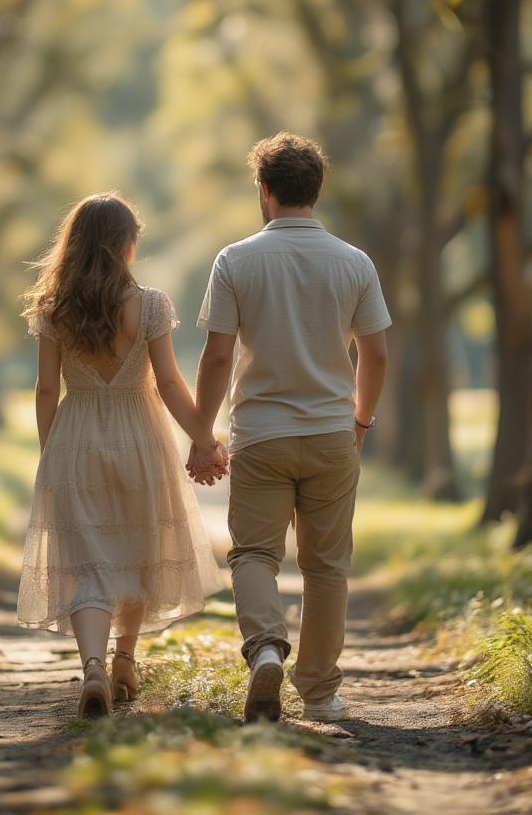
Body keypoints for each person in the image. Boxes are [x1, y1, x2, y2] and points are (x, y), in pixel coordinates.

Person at [188, 132, 390, 723]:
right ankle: (321, 693)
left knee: (253, 553)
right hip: (332, 433)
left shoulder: (235, 260)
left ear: (265, 191)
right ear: (317, 192)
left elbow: (218, 358)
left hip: (261, 436)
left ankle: (267, 648)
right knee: (327, 567)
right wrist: (360, 420)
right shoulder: (355, 263)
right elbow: (375, 356)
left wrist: (203, 434)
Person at [17, 192, 225, 718]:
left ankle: (92, 666)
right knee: (137, 549)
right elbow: (172, 382)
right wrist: (203, 436)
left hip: (77, 434)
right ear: (125, 245)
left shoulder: (53, 307)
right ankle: (125, 660)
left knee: (88, 561)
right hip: (141, 434)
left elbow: (45, 389)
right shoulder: (150, 305)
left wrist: (51, 452)